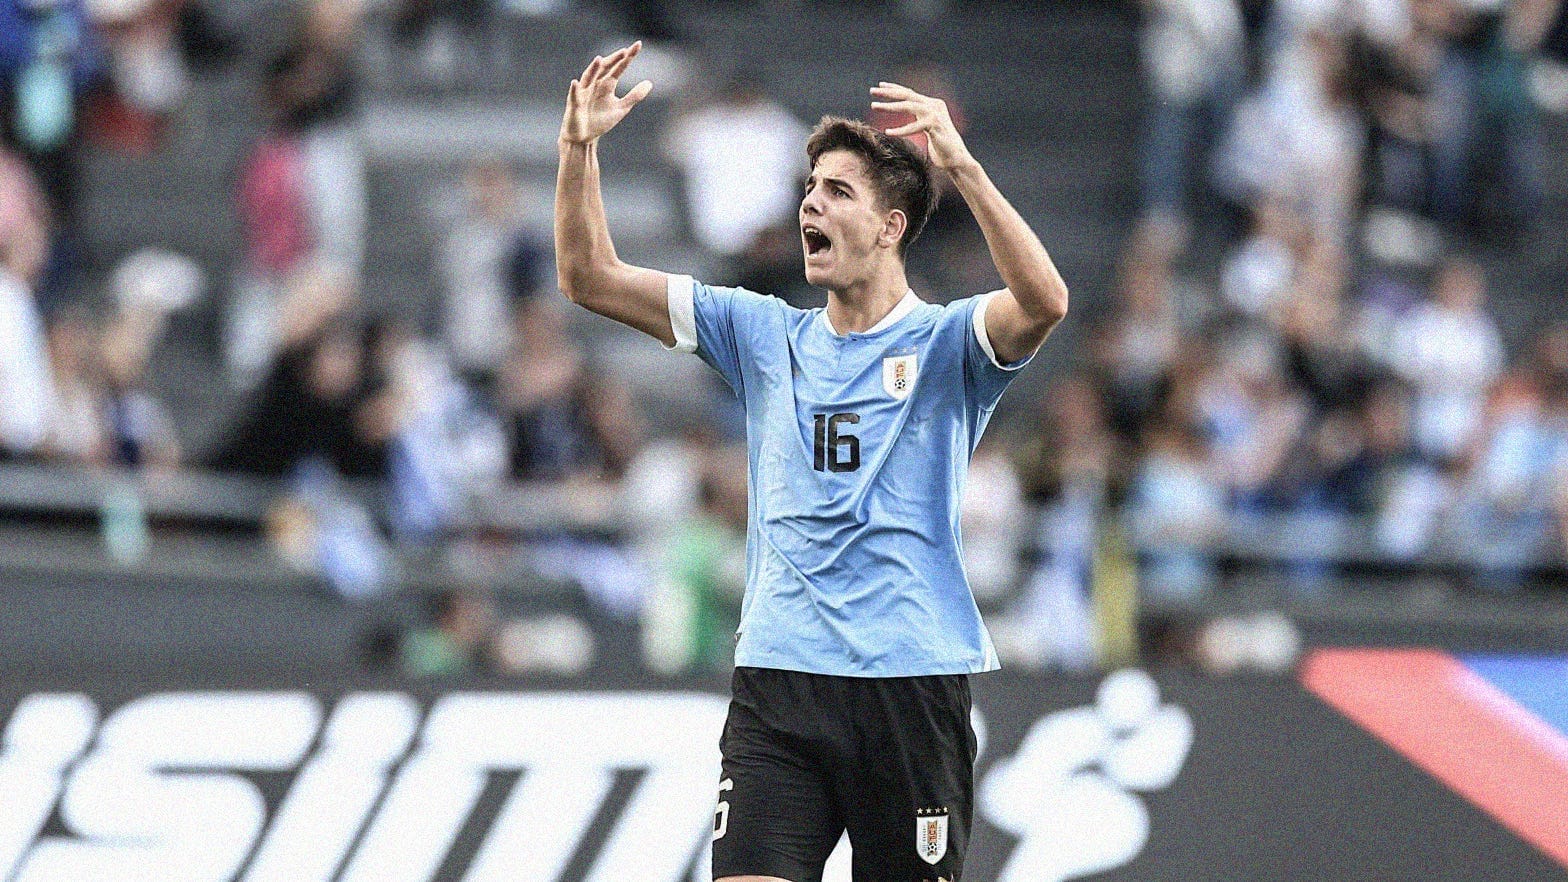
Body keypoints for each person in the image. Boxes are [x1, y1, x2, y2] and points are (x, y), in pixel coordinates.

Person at [554, 42, 1069, 882]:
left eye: (837, 191)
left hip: (910, 683)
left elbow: (1045, 302)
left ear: (891, 227)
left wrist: (963, 170)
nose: (810, 204)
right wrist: (579, 150)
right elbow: (588, 277)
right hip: (780, 682)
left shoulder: (947, 343)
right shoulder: (760, 331)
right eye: (808, 188)